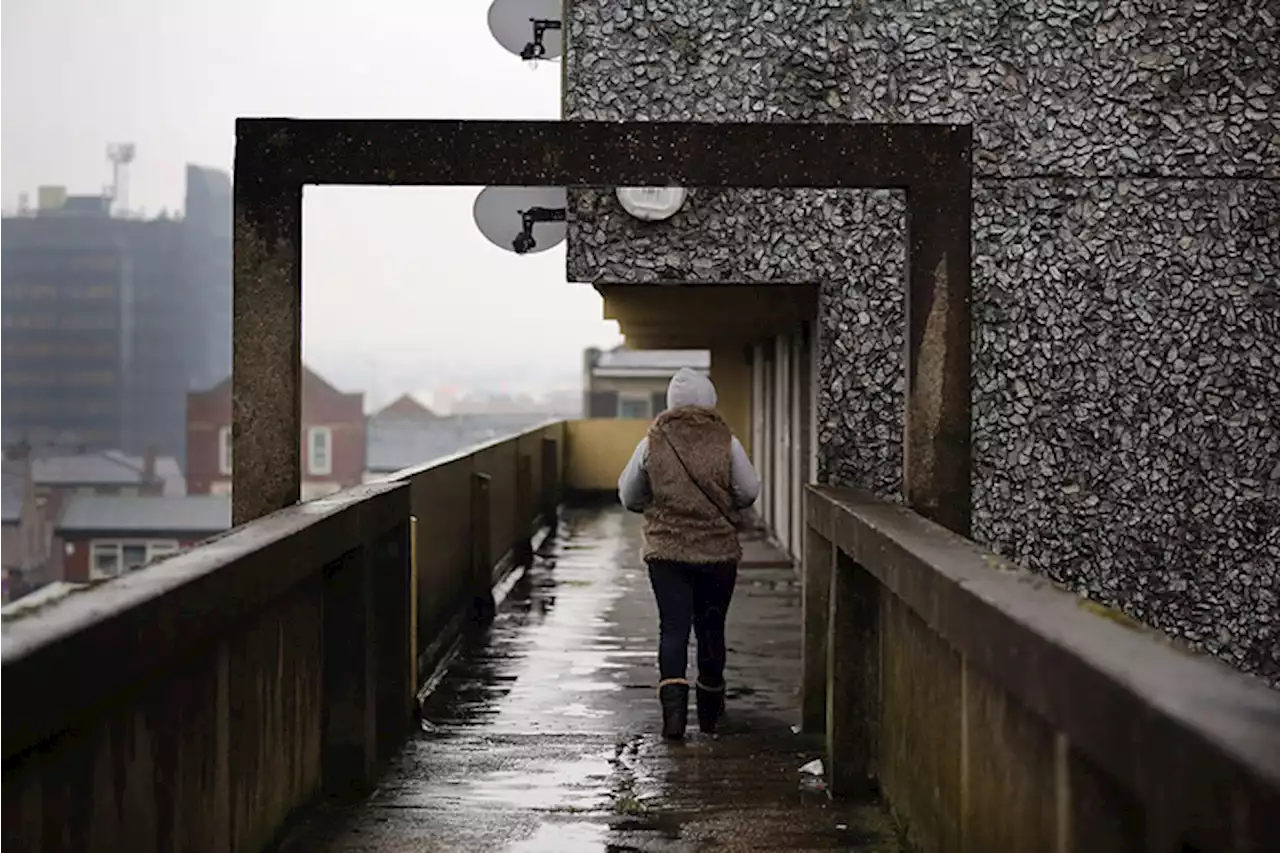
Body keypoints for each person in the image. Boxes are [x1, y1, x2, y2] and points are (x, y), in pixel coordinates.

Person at [618, 367, 761, 740]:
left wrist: (660, 504)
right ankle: (711, 715)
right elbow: (748, 490)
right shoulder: (725, 440)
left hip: (667, 554)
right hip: (717, 554)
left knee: (673, 628)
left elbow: (629, 494)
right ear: (710, 399)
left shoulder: (653, 441)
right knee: (711, 629)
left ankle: (674, 719)